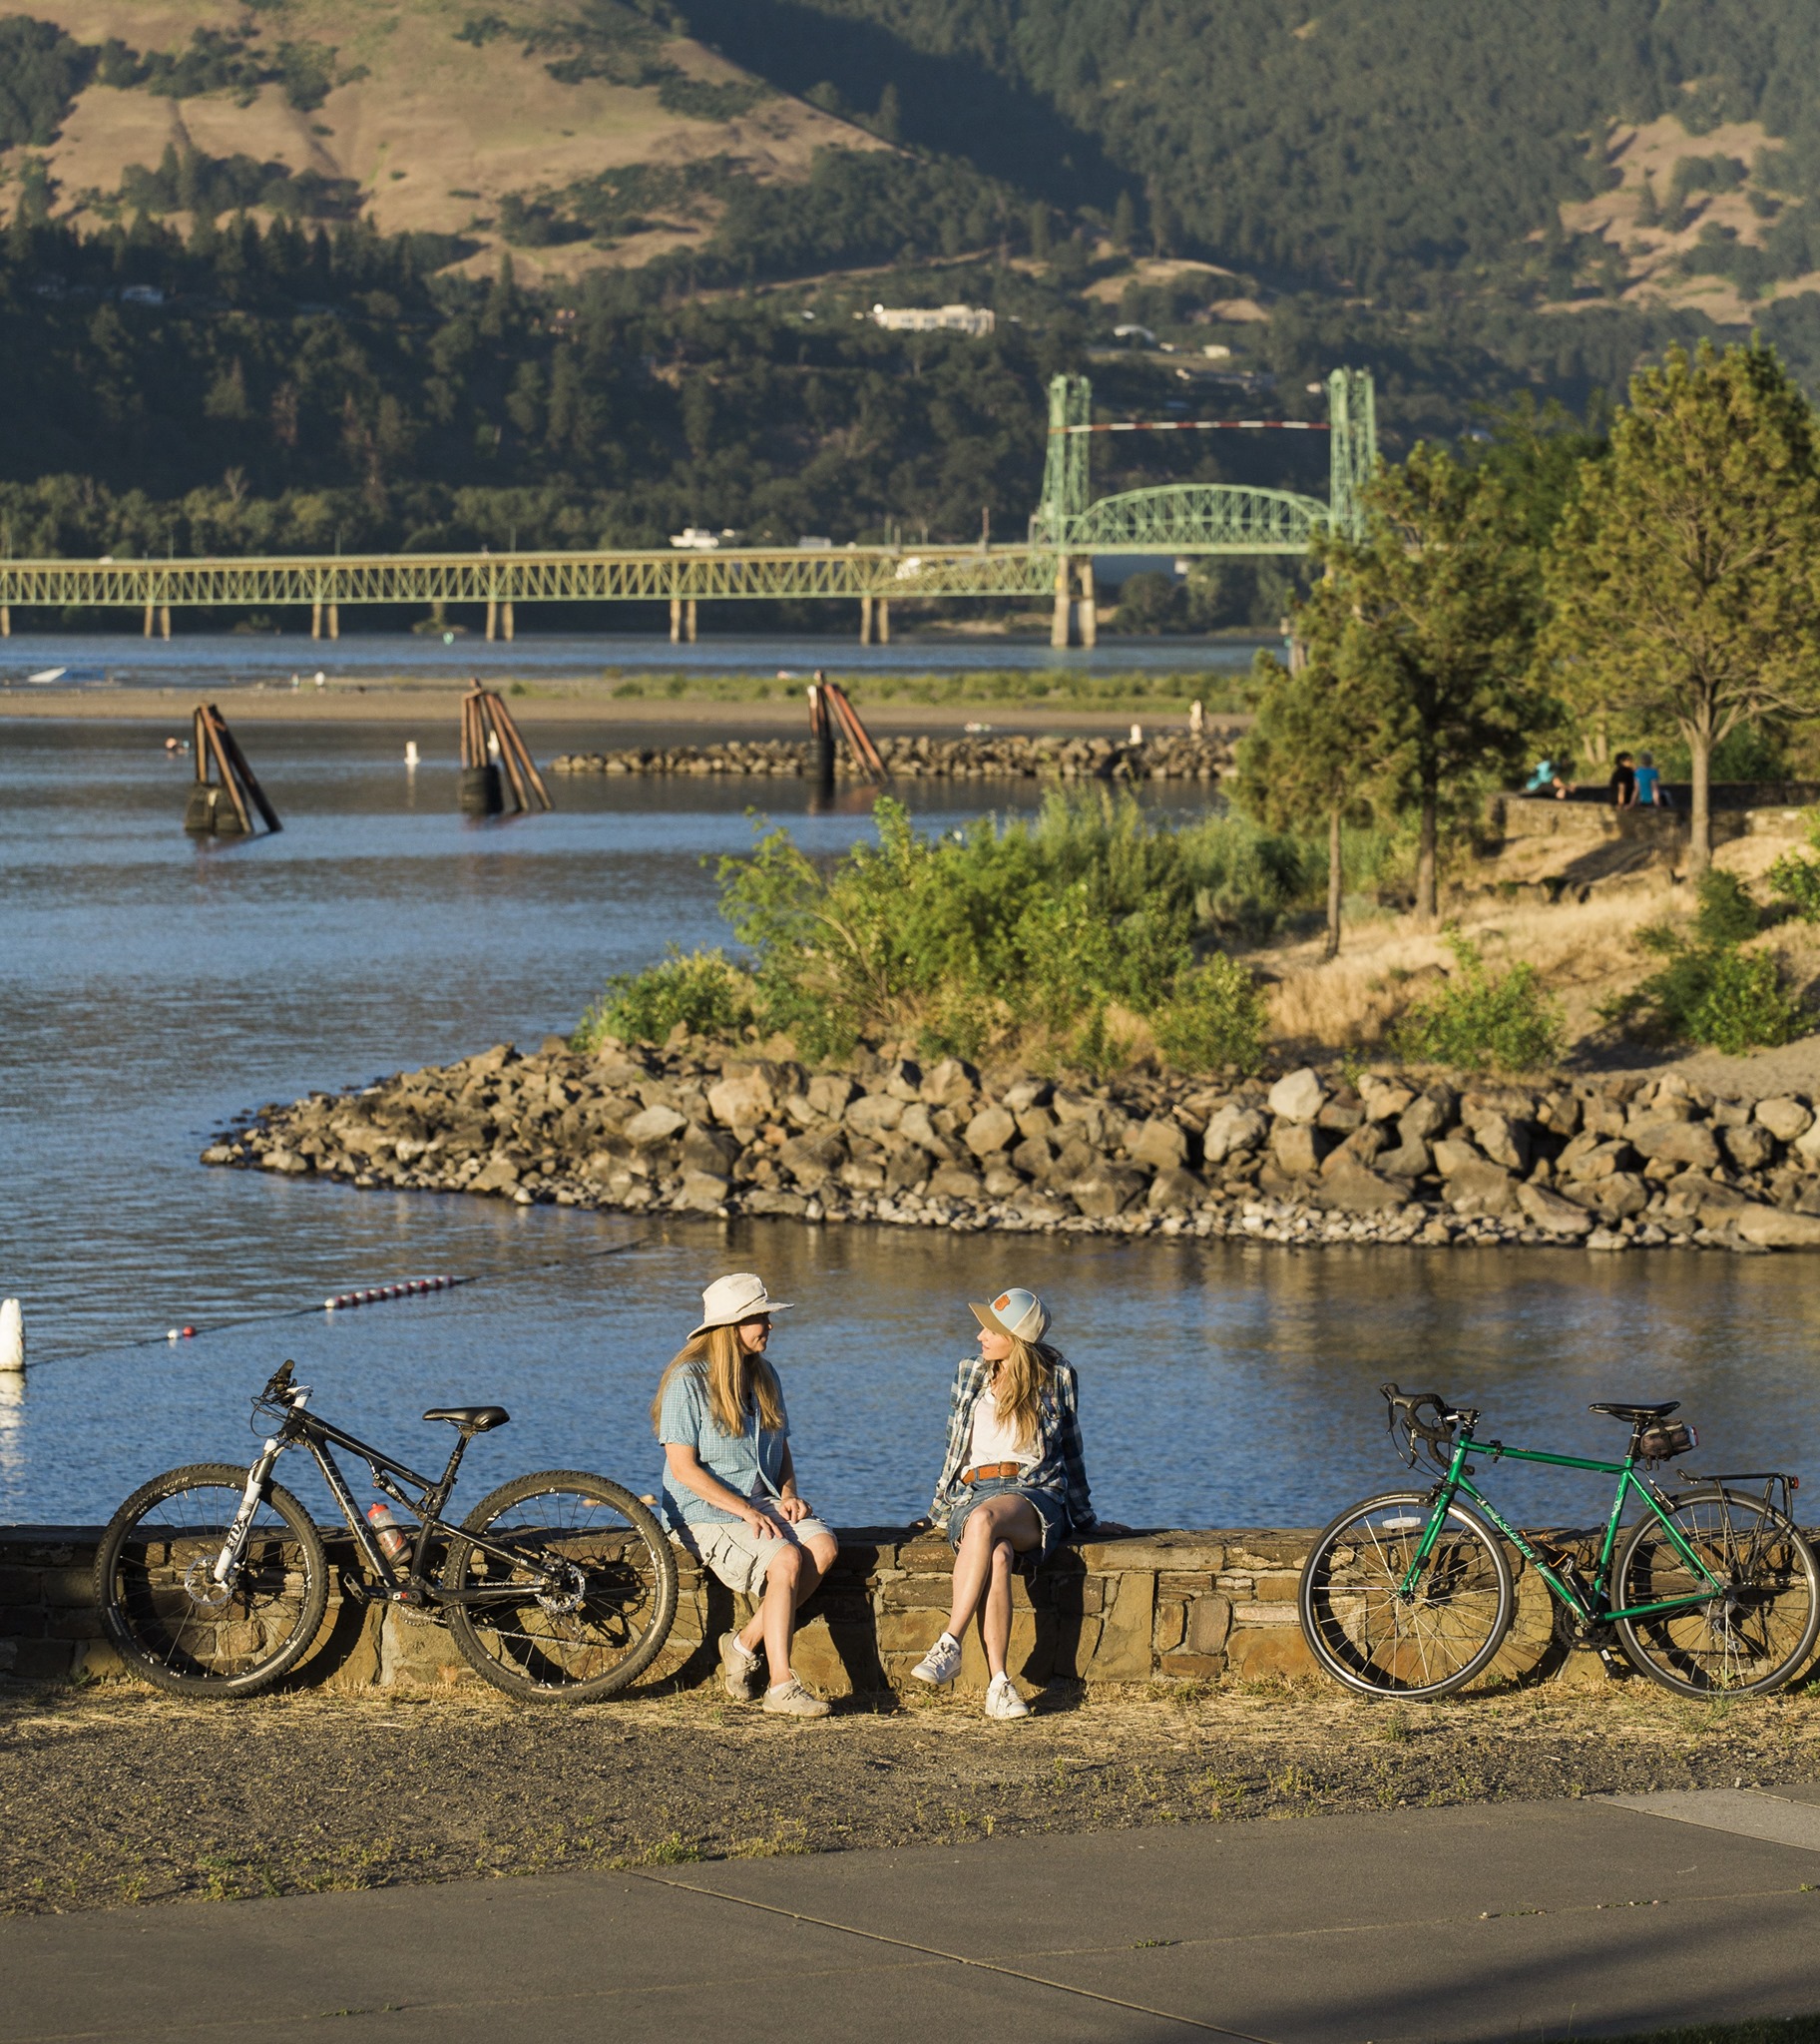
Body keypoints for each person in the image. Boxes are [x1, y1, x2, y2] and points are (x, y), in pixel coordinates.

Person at [653, 1272, 837, 1719]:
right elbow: (683, 1469)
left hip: (763, 1500)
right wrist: (742, 1511)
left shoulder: (766, 1375)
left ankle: (740, 1645)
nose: (770, 1326)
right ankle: (780, 1684)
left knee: (824, 1548)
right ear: (730, 1327)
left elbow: (783, 1447)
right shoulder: (687, 1381)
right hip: (702, 1511)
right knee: (786, 1560)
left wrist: (789, 1493)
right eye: (760, 1318)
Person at [911, 1285, 1097, 1722]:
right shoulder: (970, 1372)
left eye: (990, 1329)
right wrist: (937, 1513)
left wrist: (1086, 1517)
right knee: (995, 1554)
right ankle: (999, 1684)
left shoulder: (1058, 1375)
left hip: (1035, 1496)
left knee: (985, 1521)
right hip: (974, 1493)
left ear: (1016, 1337)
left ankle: (950, 1641)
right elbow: (954, 1450)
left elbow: (1072, 1450)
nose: (979, 1336)